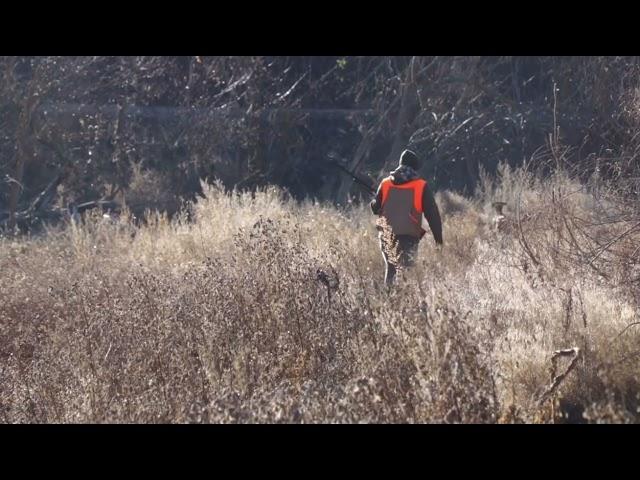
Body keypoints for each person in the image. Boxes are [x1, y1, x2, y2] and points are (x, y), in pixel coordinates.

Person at [370, 149, 443, 285]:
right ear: (415, 168)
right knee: (407, 273)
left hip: (386, 234)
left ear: (400, 164)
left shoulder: (385, 183)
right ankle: (405, 303)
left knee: (391, 270)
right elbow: (432, 215)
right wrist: (438, 240)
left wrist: (374, 200)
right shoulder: (421, 186)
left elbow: (375, 208)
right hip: (408, 237)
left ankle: (389, 302)